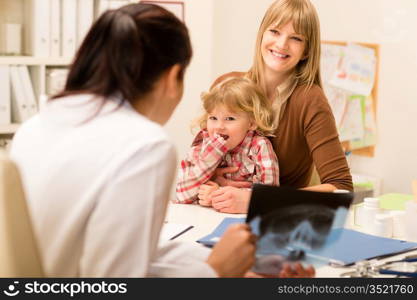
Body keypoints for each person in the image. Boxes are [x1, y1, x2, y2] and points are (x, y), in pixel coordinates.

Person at [10, 3, 313, 278]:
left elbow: (134, 254)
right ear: (172, 78)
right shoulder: (145, 145)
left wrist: (235, 263)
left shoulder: (36, 127)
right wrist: (217, 272)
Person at [203, 0, 353, 214]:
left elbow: (342, 188)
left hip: (277, 224)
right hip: (212, 215)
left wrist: (259, 201)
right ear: (262, 34)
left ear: (307, 51)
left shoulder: (310, 99)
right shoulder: (226, 85)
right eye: (275, 31)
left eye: (296, 38)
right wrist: (210, 176)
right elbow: (199, 152)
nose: (282, 44)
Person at [174, 77, 279, 206]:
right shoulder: (202, 144)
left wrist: (218, 194)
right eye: (213, 118)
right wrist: (211, 157)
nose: (219, 126)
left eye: (230, 118)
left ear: (251, 123)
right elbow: (182, 195)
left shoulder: (259, 146)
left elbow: (270, 195)